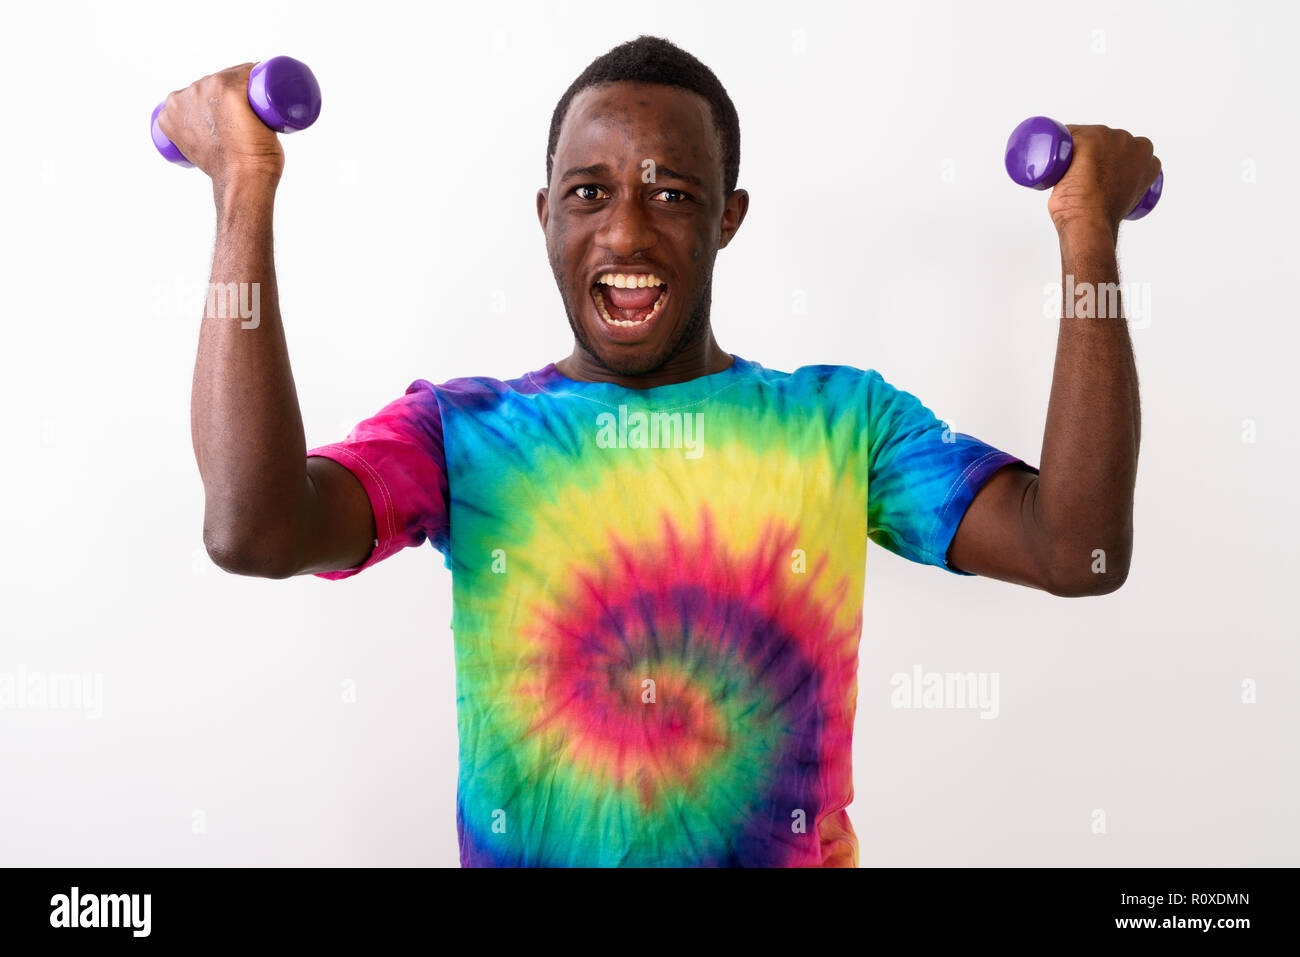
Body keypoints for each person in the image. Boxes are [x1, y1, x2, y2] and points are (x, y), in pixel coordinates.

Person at [156, 35, 1157, 867]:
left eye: (672, 195)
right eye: (587, 193)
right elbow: (254, 528)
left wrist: (1085, 237)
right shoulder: (462, 432)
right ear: (544, 216)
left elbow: (1077, 552)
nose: (626, 229)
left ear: (728, 218)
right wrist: (243, 187)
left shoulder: (845, 422)